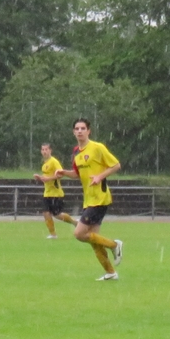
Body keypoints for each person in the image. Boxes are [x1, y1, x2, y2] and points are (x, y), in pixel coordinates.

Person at [53, 118, 123, 280]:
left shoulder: (97, 148)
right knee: (94, 241)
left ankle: (115, 245)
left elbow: (116, 165)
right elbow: (77, 174)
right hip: (89, 199)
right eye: (77, 128)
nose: (79, 131)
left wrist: (99, 176)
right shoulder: (77, 152)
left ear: (89, 131)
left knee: (79, 233)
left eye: (83, 128)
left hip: (100, 198)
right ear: (73, 132)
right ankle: (111, 273)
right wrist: (64, 172)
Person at [33, 142, 77, 238]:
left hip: (56, 193)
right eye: (43, 150)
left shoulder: (54, 161)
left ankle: (74, 222)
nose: (44, 151)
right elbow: (46, 178)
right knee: (46, 213)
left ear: (50, 150)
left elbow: (60, 174)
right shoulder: (44, 164)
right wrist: (40, 178)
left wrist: (49, 178)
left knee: (57, 215)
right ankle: (53, 234)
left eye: (46, 149)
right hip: (47, 193)